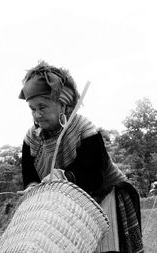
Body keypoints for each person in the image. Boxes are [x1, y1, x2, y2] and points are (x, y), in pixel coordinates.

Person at [19, 61, 144, 253]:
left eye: (42, 107)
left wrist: (64, 177)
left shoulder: (84, 129)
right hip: (69, 208)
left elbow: (94, 176)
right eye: (32, 109)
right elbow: (30, 177)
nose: (36, 115)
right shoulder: (31, 139)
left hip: (105, 199)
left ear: (63, 104)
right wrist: (32, 189)